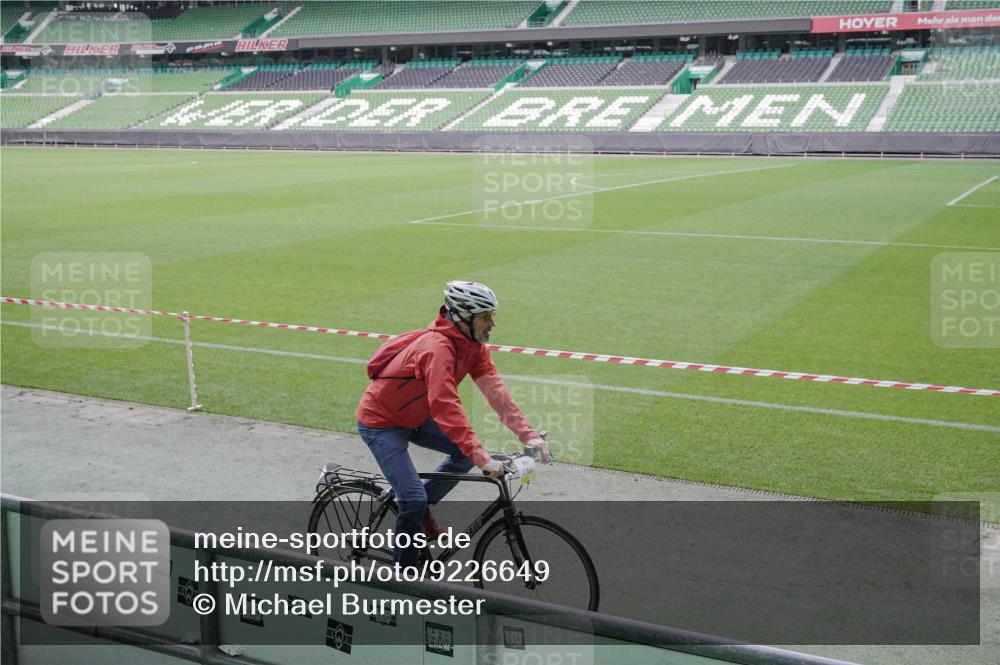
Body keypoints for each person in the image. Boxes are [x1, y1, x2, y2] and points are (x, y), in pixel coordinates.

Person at [356, 281, 550, 567]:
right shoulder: (437, 349)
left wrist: (528, 435)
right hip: (382, 422)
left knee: (460, 457)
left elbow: (495, 391)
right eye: (486, 316)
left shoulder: (473, 347)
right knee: (411, 498)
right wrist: (482, 458)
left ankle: (420, 510)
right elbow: (446, 406)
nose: (492, 323)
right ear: (464, 316)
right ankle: (403, 579)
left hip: (417, 417)